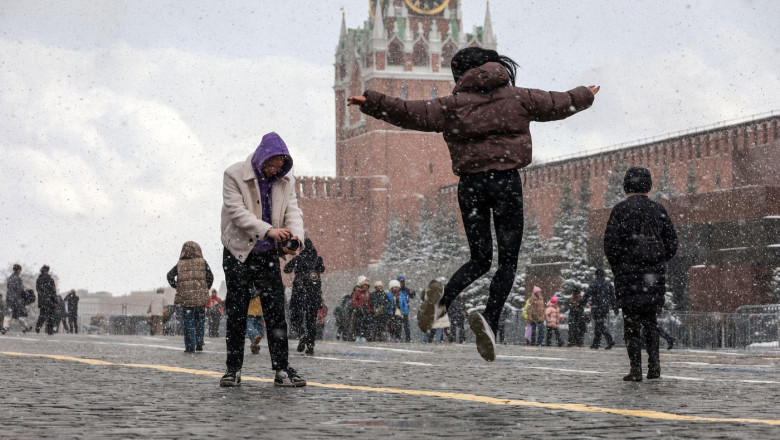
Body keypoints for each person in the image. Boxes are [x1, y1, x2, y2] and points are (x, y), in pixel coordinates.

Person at [349, 47, 598, 361]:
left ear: (462, 73)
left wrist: (372, 102)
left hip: (471, 186)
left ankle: (442, 302)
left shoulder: (453, 105)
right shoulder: (518, 97)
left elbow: (411, 112)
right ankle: (489, 320)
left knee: (479, 260)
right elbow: (556, 103)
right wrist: (584, 94)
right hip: (506, 183)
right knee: (507, 263)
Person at [219, 132, 306, 387]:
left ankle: (281, 370)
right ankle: (233, 369)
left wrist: (296, 238)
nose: (274, 171)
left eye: (279, 167)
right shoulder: (234, 175)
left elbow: (293, 212)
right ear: (261, 159)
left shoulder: (285, 180)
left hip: (267, 255)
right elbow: (237, 213)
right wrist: (269, 230)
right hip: (239, 254)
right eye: (271, 166)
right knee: (237, 313)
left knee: (276, 313)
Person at [604, 166, 678, 381]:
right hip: (653, 278)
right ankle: (654, 366)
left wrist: (620, 267)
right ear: (648, 185)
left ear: (626, 185)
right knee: (651, 322)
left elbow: (610, 245)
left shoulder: (620, 210)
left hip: (628, 278)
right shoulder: (658, 209)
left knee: (631, 324)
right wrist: (657, 262)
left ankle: (635, 370)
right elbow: (672, 243)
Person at [167, 241, 213, 353]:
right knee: (200, 320)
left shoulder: (180, 264)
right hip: (200, 297)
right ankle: (199, 341)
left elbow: (170, 276)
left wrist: (178, 286)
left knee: (188, 322)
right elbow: (210, 277)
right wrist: (205, 288)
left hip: (186, 298)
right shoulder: (202, 262)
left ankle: (189, 347)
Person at [284, 238, 325, 355]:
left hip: (299, 292)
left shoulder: (299, 258)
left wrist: (295, 260)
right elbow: (322, 269)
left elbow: (286, 269)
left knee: (295, 316)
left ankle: (301, 334)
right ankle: (310, 345)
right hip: (314, 294)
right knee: (311, 320)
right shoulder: (317, 259)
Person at [581, 269, 617, 350]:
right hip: (605, 308)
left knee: (599, 324)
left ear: (596, 275)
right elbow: (612, 297)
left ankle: (609, 340)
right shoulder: (608, 285)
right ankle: (596, 343)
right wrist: (615, 308)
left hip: (596, 307)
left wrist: (581, 303)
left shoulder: (594, 284)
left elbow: (587, 294)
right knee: (599, 324)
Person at [5, 265, 31, 333]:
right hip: (16, 299)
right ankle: (25, 327)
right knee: (19, 314)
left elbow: (8, 287)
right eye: (20, 270)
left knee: (9, 313)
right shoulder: (18, 278)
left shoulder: (9, 278)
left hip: (9, 297)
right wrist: (25, 293)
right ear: (19, 270)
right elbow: (20, 290)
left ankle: (5, 327)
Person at [35, 265, 58, 335]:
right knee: (50, 315)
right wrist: (55, 301)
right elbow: (53, 291)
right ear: (48, 270)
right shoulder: (50, 279)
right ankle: (49, 330)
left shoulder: (38, 279)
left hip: (42, 300)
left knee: (42, 314)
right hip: (50, 300)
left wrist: (42, 297)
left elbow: (38, 290)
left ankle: (38, 326)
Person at [350, 276, 371, 343]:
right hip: (358, 310)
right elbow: (353, 300)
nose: (365, 287)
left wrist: (368, 309)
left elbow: (369, 302)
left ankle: (363, 336)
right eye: (364, 285)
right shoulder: (357, 292)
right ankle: (358, 336)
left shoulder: (368, 293)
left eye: (367, 285)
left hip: (366, 311)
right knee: (358, 323)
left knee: (365, 324)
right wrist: (358, 306)